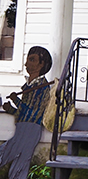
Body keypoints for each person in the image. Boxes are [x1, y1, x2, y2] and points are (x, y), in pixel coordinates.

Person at [0, 46, 52, 179]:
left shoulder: (41, 87)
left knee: (11, 155)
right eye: (28, 59)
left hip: (30, 128)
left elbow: (31, 111)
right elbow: (24, 110)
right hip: (23, 126)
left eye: (32, 60)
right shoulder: (29, 86)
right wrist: (12, 107)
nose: (26, 64)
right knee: (19, 161)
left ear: (41, 64)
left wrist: (14, 103)